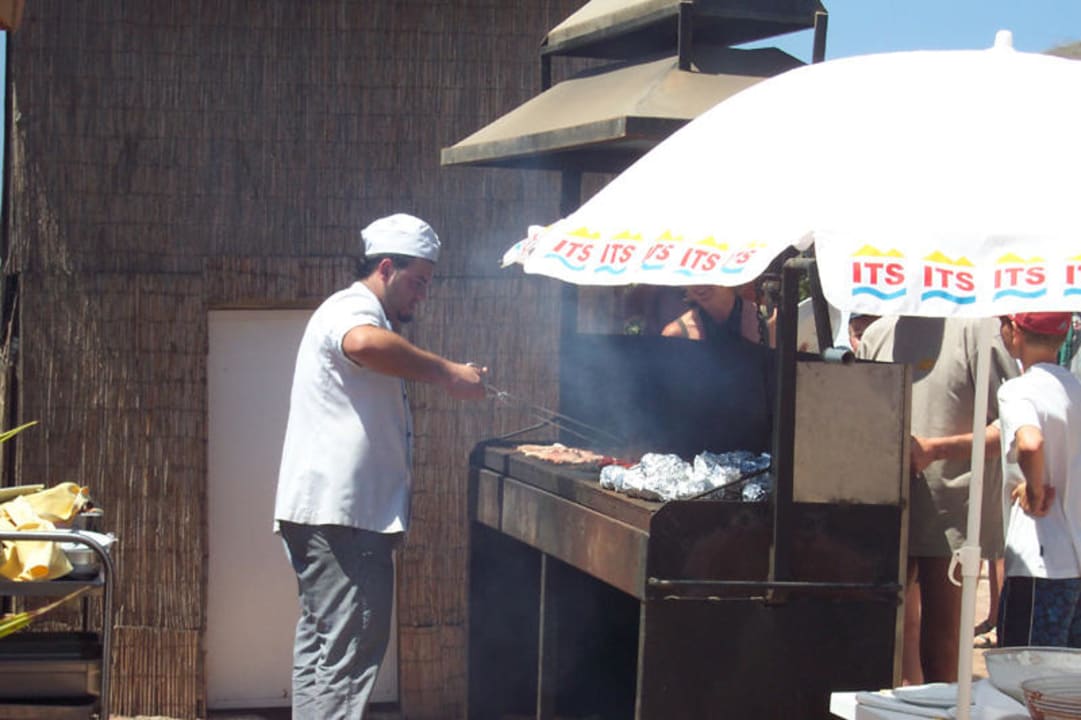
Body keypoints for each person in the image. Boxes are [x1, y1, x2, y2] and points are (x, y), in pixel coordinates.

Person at [273, 213, 487, 719]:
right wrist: (449, 373)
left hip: (326, 515)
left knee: (324, 652)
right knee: (349, 657)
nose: (422, 295)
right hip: (347, 519)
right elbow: (364, 344)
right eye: (418, 282)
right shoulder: (352, 308)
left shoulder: (359, 313)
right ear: (386, 268)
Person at [856, 316, 1018, 684]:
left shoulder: (979, 331)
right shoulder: (877, 335)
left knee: (942, 650)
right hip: (883, 512)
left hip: (954, 517)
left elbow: (1009, 429)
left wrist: (933, 449)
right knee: (885, 645)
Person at [995, 312, 1081, 648]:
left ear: (1015, 330)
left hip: (1039, 561)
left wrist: (1033, 488)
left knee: (1022, 683)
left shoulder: (1019, 390)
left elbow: (1031, 442)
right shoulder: (1075, 388)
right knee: (1067, 688)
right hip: (1074, 562)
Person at [661, 283, 763, 345]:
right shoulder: (675, 334)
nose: (698, 284)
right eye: (692, 276)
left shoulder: (771, 322)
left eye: (708, 275)